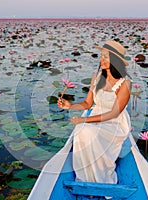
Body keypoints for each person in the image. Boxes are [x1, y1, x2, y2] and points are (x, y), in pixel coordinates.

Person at [57, 40, 132, 184]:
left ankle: (102, 177)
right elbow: (87, 103)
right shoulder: (97, 77)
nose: (101, 60)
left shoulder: (125, 83)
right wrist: (70, 106)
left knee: (86, 130)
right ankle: (85, 178)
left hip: (114, 122)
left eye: (105, 57)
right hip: (96, 116)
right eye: (101, 56)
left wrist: (84, 120)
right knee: (81, 131)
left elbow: (114, 113)